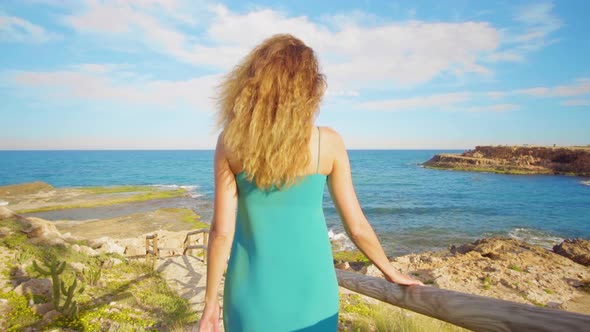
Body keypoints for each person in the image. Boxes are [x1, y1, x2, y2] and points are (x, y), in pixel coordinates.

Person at [198, 34, 423, 332]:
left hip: (248, 290)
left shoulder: (231, 142)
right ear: (309, 88)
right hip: (312, 291)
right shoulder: (328, 143)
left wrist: (210, 304)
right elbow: (356, 226)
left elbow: (221, 232)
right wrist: (390, 270)